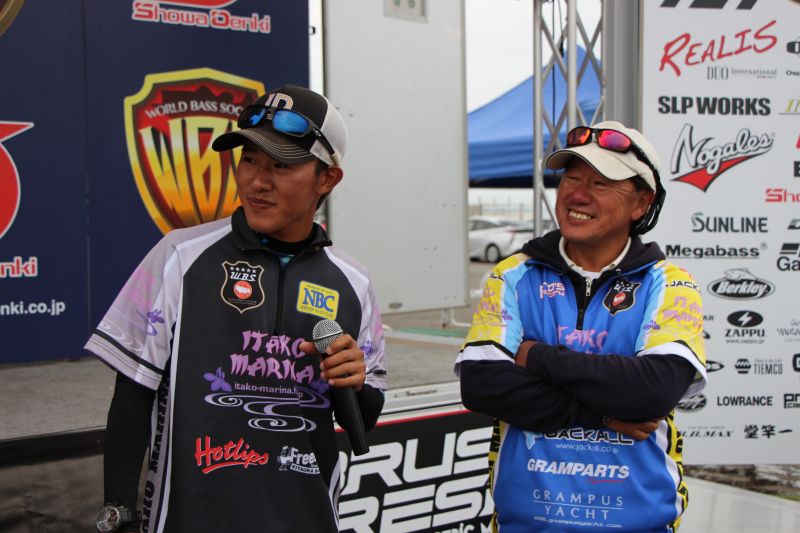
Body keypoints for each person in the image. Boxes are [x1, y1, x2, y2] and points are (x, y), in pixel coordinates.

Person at [86, 85, 387, 533]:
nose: (257, 182)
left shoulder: (354, 282)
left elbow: (362, 419)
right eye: (249, 160)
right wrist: (120, 514)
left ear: (327, 179)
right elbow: (132, 395)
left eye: (281, 165)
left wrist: (354, 382)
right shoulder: (179, 256)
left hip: (307, 519)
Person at [456, 121, 707, 532]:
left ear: (641, 203)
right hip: (527, 524)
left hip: (640, 524)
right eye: (571, 178)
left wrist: (537, 357)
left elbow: (653, 391)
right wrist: (603, 415)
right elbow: (482, 385)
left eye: (601, 183)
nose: (578, 194)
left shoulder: (669, 283)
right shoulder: (513, 275)